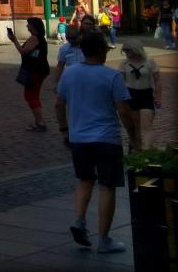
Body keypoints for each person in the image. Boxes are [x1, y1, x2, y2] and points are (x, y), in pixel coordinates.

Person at [56, 32, 138, 255]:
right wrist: (133, 137)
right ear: (101, 51)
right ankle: (104, 238)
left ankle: (80, 220)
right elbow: (124, 111)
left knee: (84, 180)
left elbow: (58, 104)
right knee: (107, 186)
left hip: (79, 138)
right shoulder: (111, 76)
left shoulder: (70, 74)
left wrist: (65, 130)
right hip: (106, 138)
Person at [7, 17, 50, 131]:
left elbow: (23, 52)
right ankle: (38, 121)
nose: (27, 26)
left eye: (28, 24)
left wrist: (14, 40)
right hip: (39, 70)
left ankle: (40, 123)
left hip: (35, 71)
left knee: (31, 96)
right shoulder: (37, 38)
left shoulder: (34, 38)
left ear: (33, 27)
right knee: (32, 95)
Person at [119, 39, 161, 150]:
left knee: (146, 125)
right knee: (136, 126)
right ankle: (138, 150)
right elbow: (120, 82)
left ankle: (147, 151)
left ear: (136, 50)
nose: (126, 53)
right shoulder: (124, 63)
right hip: (130, 95)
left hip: (146, 94)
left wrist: (158, 97)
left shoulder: (149, 61)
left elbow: (157, 80)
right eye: (124, 51)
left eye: (128, 51)